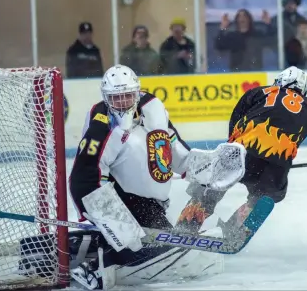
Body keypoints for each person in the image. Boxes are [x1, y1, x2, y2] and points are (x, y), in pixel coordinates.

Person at [68, 65, 244, 290]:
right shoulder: (101, 127)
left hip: (151, 205)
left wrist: (209, 170)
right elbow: (83, 180)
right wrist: (115, 221)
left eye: (127, 96)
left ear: (137, 92)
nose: (122, 102)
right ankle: (98, 264)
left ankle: (90, 246)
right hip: (123, 202)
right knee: (151, 249)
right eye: (116, 98)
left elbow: (172, 149)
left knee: (161, 247)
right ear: (106, 97)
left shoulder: (153, 107)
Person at [176, 66, 307, 236]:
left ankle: (187, 224)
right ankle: (235, 229)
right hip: (276, 164)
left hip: (240, 151)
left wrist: (228, 154)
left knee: (212, 184)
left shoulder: (258, 92)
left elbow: (235, 121)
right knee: (268, 195)